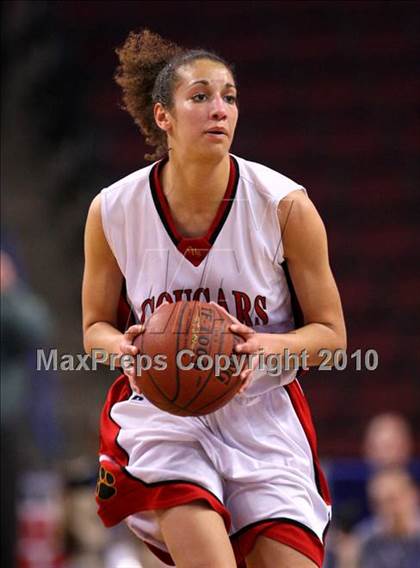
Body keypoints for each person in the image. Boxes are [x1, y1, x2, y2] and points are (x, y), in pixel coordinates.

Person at [82, 29, 346, 568]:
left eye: (229, 96)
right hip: (165, 413)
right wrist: (127, 350)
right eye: (200, 96)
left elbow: (333, 337)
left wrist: (263, 348)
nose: (219, 109)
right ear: (164, 116)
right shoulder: (112, 210)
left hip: (261, 415)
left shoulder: (285, 206)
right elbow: (93, 331)